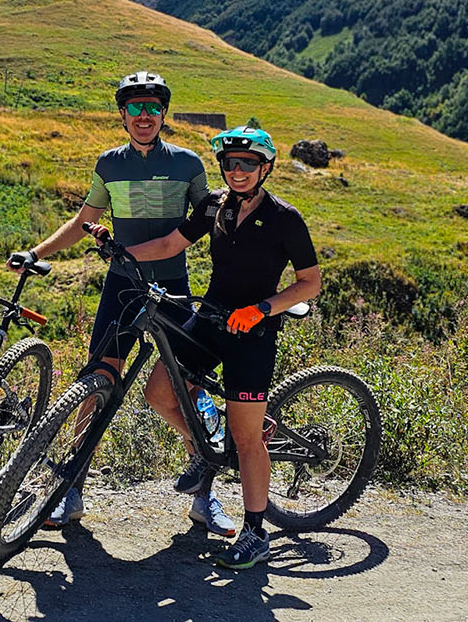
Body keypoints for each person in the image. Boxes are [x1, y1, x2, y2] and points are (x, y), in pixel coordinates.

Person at [6, 71, 227, 533]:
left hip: (173, 287)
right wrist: (36, 253)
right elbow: (83, 220)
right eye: (135, 108)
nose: (144, 116)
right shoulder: (109, 164)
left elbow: (211, 219)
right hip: (122, 287)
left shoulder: (188, 164)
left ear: (164, 113)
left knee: (187, 389)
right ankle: (70, 491)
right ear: (122, 115)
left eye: (152, 107)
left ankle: (206, 495)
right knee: (97, 382)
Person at [120, 122, 321, 569]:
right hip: (209, 320)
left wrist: (263, 308)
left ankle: (255, 532)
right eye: (232, 163)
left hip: (253, 334)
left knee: (247, 438)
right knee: (158, 393)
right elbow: (174, 242)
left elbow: (310, 283)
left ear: (265, 168)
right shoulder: (213, 205)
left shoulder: (286, 219)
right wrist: (123, 252)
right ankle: (205, 453)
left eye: (249, 163)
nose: (239, 171)